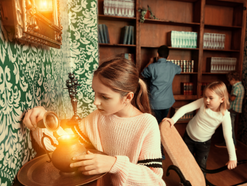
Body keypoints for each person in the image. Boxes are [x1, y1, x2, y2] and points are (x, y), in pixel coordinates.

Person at [23, 58, 165, 186]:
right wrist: (43, 120)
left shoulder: (147, 124)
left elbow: (154, 181)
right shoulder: (97, 117)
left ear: (127, 97)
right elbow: (62, 145)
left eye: (104, 97)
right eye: (95, 93)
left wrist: (115, 164)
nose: (95, 102)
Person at [163, 81, 237, 173]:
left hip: (204, 143)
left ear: (222, 99)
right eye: (205, 96)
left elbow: (228, 137)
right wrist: (173, 120)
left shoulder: (225, 115)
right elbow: (185, 108)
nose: (207, 100)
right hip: (188, 137)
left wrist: (233, 158)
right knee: (185, 162)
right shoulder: (203, 103)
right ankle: (184, 181)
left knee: (201, 167)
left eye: (211, 98)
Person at [141, 45, 181, 124]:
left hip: (155, 102)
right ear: (168, 56)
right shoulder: (172, 66)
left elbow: (142, 74)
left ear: (157, 54)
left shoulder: (152, 67)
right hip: (167, 102)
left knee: (156, 123)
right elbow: (179, 69)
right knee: (163, 123)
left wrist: (150, 62)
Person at [215, 72, 244, 148]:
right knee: (230, 126)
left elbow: (232, 98)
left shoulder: (236, 87)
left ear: (233, 79)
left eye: (229, 80)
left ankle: (231, 144)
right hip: (236, 109)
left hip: (233, 109)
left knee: (229, 127)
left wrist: (226, 92)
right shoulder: (241, 86)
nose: (229, 82)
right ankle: (230, 143)